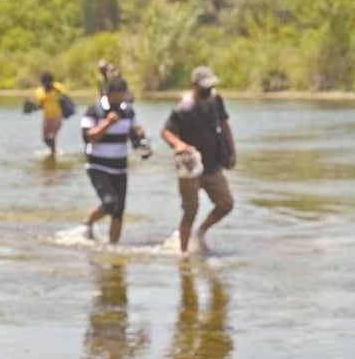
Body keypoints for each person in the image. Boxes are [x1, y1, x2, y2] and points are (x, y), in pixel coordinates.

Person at [160, 65, 237, 254]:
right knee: (190, 211)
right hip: (190, 166)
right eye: (204, 87)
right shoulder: (182, 109)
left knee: (226, 204)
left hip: (212, 165)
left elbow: (224, 125)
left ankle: (200, 233)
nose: (208, 91)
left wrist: (232, 151)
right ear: (194, 86)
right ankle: (184, 253)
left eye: (210, 87)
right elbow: (165, 132)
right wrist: (179, 145)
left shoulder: (215, 101)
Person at [80, 76, 147, 244]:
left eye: (122, 96)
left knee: (119, 210)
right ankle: (88, 222)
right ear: (107, 94)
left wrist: (139, 135)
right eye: (116, 96)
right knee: (110, 203)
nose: (119, 100)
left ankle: (113, 247)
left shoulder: (129, 111)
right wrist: (107, 123)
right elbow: (88, 137)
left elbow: (134, 138)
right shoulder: (94, 110)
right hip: (98, 165)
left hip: (120, 166)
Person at [31, 71, 69, 155]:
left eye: (50, 82)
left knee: (51, 136)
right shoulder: (40, 92)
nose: (48, 84)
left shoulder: (57, 88)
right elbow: (39, 106)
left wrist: (56, 90)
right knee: (45, 138)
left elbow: (66, 96)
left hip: (57, 117)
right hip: (46, 118)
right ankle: (53, 151)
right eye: (46, 82)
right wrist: (32, 107)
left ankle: (53, 152)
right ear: (43, 83)